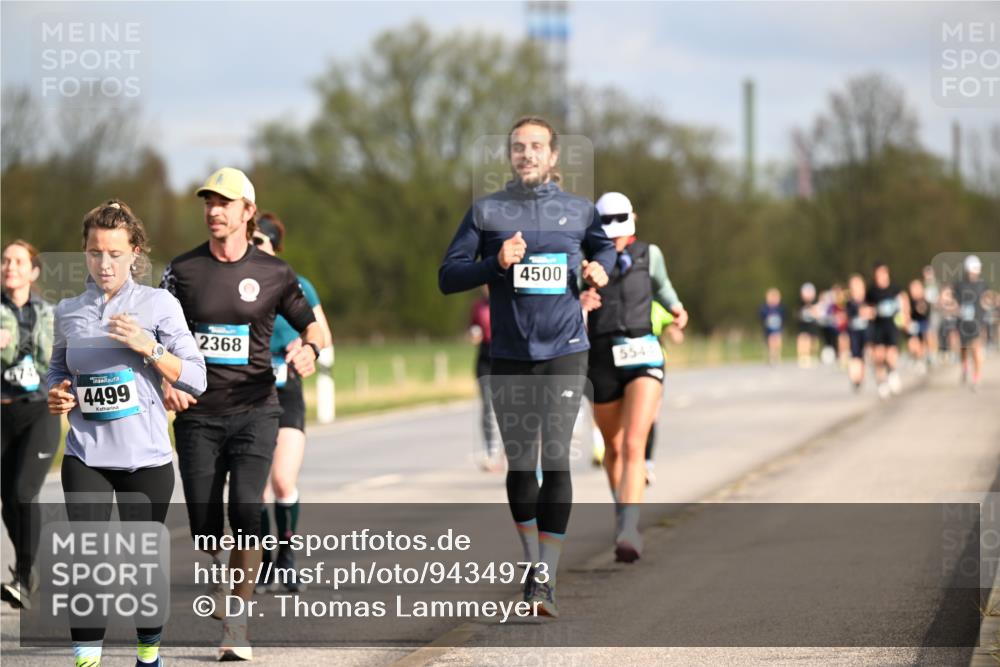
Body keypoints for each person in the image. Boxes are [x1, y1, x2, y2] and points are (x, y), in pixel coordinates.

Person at [439, 116, 614, 617]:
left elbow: (603, 249)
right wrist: (495, 263)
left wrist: (599, 267)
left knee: (555, 458)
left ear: (553, 156)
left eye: (536, 146)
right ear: (509, 156)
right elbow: (448, 276)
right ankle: (532, 561)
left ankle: (546, 577)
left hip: (565, 350)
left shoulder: (579, 210)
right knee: (521, 465)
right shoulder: (488, 211)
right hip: (511, 356)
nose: (527, 154)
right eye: (518, 147)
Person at [159, 168, 325, 661]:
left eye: (225, 203)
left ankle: (237, 623)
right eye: (208, 202)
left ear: (247, 212)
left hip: (256, 409)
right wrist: (165, 379)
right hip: (198, 414)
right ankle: (220, 574)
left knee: (248, 509)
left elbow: (313, 327)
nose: (214, 210)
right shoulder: (183, 270)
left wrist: (310, 350)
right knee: (204, 519)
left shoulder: (275, 273)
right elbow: (155, 333)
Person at [46, 200, 207, 667]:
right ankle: (86, 661)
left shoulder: (159, 304)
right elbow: (57, 369)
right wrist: (56, 392)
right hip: (85, 456)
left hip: (146, 460)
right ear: (84, 252)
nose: (105, 263)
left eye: (115, 254)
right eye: (95, 252)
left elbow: (196, 378)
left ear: (134, 253)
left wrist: (148, 346)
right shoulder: (69, 310)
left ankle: (148, 655)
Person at [580, 192, 687, 563]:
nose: (615, 235)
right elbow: (564, 301)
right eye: (606, 226)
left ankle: (628, 530)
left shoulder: (649, 254)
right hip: (600, 357)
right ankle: (623, 512)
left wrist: (676, 308)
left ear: (633, 220)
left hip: (644, 352)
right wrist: (580, 301)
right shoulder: (583, 259)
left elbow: (663, 285)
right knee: (613, 447)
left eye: (620, 224)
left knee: (633, 444)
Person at [247, 212, 333, 595]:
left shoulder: (297, 285)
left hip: (286, 390)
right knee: (255, 489)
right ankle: (263, 560)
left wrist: (307, 346)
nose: (252, 248)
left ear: (275, 247)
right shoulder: (233, 285)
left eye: (259, 242)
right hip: (245, 392)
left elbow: (323, 334)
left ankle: (287, 553)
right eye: (248, 240)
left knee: (283, 480)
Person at [1, 240, 60, 609]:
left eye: (19, 261)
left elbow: (59, 361)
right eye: (6, 260)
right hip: (2, 413)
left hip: (39, 411)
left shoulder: (48, 314)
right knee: (8, 500)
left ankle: (23, 576)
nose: (10, 266)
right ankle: (26, 571)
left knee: (25, 492)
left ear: (33, 271)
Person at [468, 286, 502, 471]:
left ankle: (510, 450)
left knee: (508, 407)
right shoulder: (478, 307)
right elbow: (473, 329)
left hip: (505, 357)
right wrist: (474, 334)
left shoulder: (508, 301)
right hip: (485, 359)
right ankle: (491, 451)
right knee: (488, 407)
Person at [865, 261, 909, 399]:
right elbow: (866, 308)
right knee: (879, 356)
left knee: (890, 354)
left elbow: (904, 301)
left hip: (892, 325)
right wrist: (870, 312)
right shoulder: (871, 291)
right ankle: (881, 383)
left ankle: (892, 372)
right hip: (878, 327)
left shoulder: (894, 288)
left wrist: (905, 317)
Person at [954, 255, 987, 390]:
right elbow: (954, 302)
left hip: (977, 321)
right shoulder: (959, 285)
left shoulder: (982, 284)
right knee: (963, 348)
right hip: (963, 322)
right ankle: (965, 367)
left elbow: (985, 300)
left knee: (976, 349)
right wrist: (957, 310)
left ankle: (976, 378)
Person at [845, 274, 872, 392]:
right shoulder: (849, 302)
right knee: (855, 356)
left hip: (867, 333)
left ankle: (861, 377)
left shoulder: (868, 299)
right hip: (854, 333)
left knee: (864, 356)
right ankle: (855, 379)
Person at [906, 278, 931, 372]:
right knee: (912, 344)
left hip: (923, 324)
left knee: (923, 341)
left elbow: (924, 311)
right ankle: (916, 358)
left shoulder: (924, 300)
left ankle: (923, 358)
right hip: (912, 325)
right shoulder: (909, 300)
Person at [758, 287, 784, 365]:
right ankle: (771, 356)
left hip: (778, 328)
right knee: (770, 340)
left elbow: (784, 316)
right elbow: (761, 316)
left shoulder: (780, 308)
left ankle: (777, 356)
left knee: (778, 339)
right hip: (768, 329)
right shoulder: (765, 308)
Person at [796, 282, 820, 368]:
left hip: (812, 325)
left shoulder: (815, 303)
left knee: (813, 340)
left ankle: (813, 355)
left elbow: (817, 315)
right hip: (803, 325)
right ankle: (802, 356)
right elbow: (798, 315)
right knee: (802, 338)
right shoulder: (800, 304)